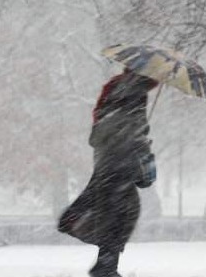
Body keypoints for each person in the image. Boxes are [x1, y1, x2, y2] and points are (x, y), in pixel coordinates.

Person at [58, 69, 159, 277]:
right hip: (121, 164)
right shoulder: (135, 93)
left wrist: (136, 136)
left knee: (113, 213)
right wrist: (142, 143)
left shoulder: (117, 90)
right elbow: (132, 130)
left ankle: (104, 262)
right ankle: (105, 265)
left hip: (107, 163)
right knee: (122, 215)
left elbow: (100, 134)